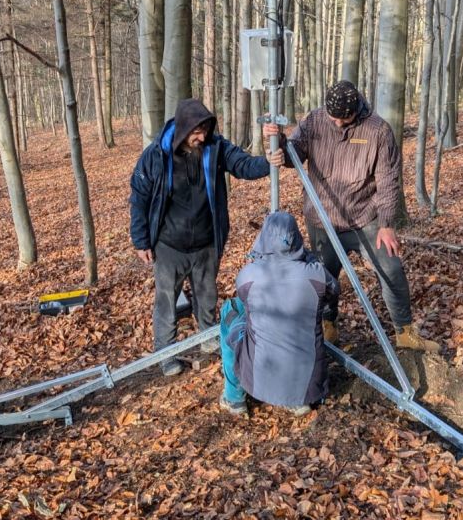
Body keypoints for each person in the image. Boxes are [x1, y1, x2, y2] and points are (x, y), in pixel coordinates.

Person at [264, 80, 440, 353]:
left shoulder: (378, 130)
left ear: (355, 110)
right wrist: (280, 143)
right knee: (323, 279)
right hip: (322, 219)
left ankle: (404, 331)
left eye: (341, 119)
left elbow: (388, 180)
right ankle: (328, 326)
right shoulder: (314, 120)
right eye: (332, 117)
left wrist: (387, 224)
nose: (336, 124)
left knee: (392, 269)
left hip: (365, 219)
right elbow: (295, 153)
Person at [130, 98, 275, 376]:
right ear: (184, 130)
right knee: (166, 302)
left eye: (205, 130)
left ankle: (208, 337)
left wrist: (268, 161)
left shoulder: (215, 148)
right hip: (169, 244)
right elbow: (139, 197)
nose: (202, 137)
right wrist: (141, 240)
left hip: (207, 241)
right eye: (196, 132)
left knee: (207, 295)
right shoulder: (156, 156)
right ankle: (166, 352)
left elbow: (243, 165)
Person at [218, 211, 339, 416]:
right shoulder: (317, 274)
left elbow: (245, 302)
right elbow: (333, 293)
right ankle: (295, 399)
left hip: (259, 379)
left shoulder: (248, 275)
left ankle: (234, 397)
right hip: (308, 385)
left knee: (229, 311)